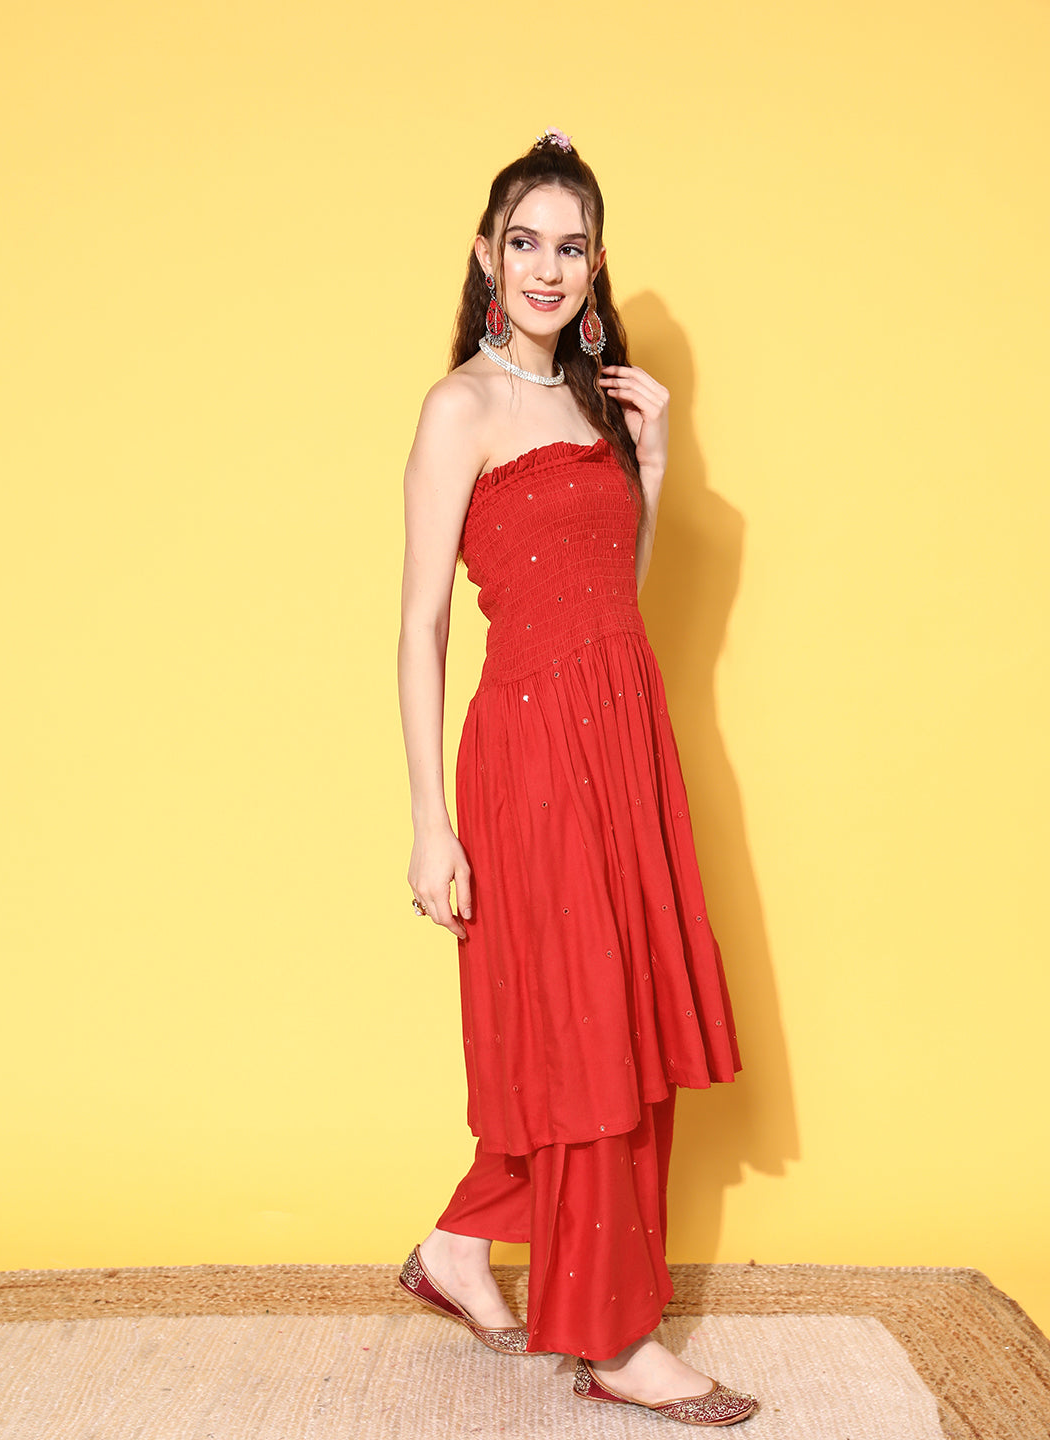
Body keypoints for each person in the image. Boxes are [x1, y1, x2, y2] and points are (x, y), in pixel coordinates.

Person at [395, 128, 758, 1428]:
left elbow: (615, 593)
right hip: (535, 755)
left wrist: (650, 464)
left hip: (627, 742)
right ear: (489, 255)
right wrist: (431, 822)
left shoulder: (599, 404)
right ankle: (616, 1339)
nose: (548, 267)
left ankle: (457, 1249)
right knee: (588, 1027)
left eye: (573, 246)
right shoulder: (461, 408)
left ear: (595, 265)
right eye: (526, 242)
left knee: (617, 1020)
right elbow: (422, 625)